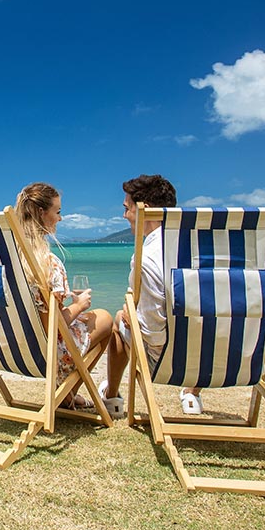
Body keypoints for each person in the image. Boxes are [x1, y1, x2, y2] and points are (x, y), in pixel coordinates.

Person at [97, 174, 204, 419]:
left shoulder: (147, 256)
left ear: (144, 209)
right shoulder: (201, 252)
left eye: (127, 209)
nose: (125, 216)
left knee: (119, 319)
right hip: (215, 360)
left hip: (164, 361)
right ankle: (192, 393)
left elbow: (153, 331)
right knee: (205, 323)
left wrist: (130, 315)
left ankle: (112, 396)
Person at [15, 182, 115, 410]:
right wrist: (79, 305)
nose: (60, 219)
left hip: (10, 348)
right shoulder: (46, 264)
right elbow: (53, 327)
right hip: (46, 355)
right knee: (104, 318)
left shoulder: (8, 262)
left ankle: (68, 395)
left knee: (91, 318)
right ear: (42, 213)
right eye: (57, 212)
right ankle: (68, 394)